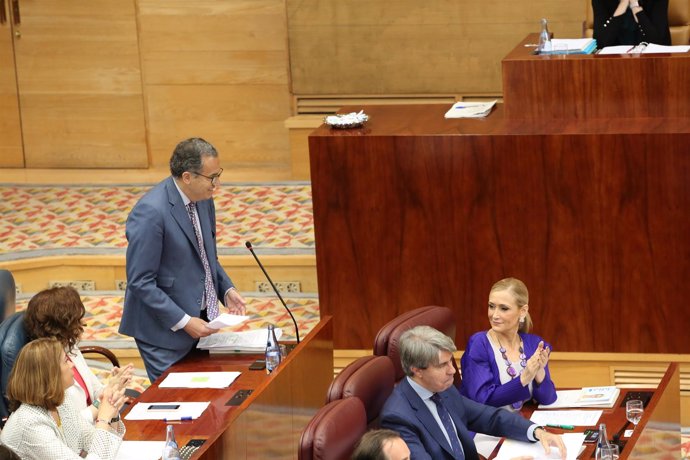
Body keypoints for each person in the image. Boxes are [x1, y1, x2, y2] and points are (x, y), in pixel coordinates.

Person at [120, 137, 247, 382]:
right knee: (178, 402)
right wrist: (184, 321)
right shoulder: (150, 212)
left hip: (202, 323)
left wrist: (226, 289)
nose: (217, 184)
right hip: (162, 333)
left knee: (211, 397)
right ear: (188, 177)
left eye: (218, 174)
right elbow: (140, 281)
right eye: (212, 177)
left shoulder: (203, 200)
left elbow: (206, 256)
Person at [380, 326, 566, 460]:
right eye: (442, 365)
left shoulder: (441, 388)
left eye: (450, 362)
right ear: (417, 371)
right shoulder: (398, 418)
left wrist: (536, 431)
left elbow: (487, 417)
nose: (453, 371)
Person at [0, 338, 127, 459]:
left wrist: (112, 413)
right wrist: (103, 419)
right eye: (66, 361)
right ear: (50, 374)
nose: (71, 365)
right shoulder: (30, 424)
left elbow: (99, 445)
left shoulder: (61, 401)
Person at [24, 286, 133, 423]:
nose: (83, 323)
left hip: (99, 422)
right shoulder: (46, 368)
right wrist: (100, 404)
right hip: (83, 434)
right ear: (61, 325)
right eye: (76, 320)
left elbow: (96, 391)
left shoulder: (69, 347)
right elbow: (67, 426)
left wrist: (114, 384)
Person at [460, 278, 557, 411]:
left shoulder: (533, 344)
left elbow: (548, 399)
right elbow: (482, 400)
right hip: (486, 428)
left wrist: (539, 372)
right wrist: (524, 378)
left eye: (503, 308)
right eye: (491, 306)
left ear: (522, 311)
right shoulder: (479, 344)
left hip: (520, 423)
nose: (494, 315)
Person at [592, 0, 671, 47]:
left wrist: (635, 8)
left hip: (651, 62)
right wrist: (623, 5)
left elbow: (658, 42)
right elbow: (600, 43)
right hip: (614, 63)